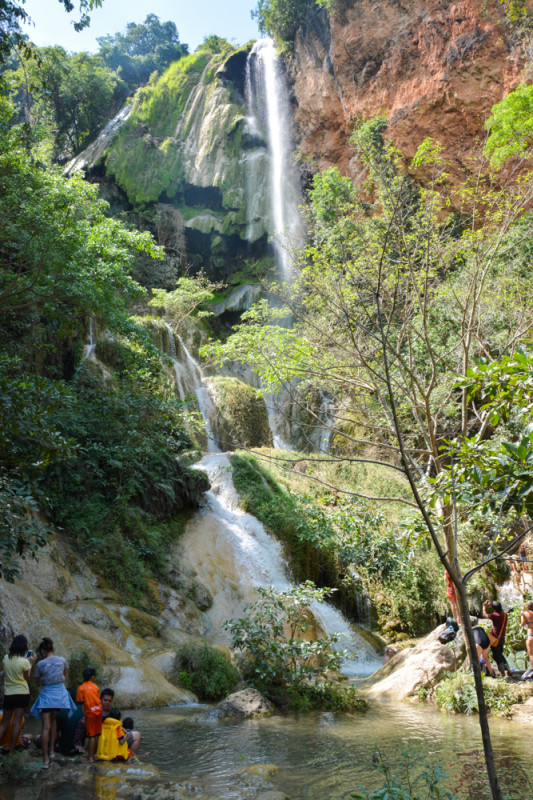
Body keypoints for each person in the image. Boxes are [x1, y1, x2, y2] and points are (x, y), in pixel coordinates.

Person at [31, 636, 77, 768]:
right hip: (59, 697)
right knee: (54, 721)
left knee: (45, 727)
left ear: (43, 651)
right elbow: (64, 675)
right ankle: (52, 751)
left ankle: (45, 758)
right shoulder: (62, 660)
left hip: (47, 697)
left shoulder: (40, 664)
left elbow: (38, 682)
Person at [0, 635, 36, 755]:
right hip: (21, 693)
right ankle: (11, 752)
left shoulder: (6, 658)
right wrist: (31, 663)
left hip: (8, 694)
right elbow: (27, 678)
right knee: (16, 723)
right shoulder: (25, 662)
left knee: (4, 723)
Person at [76, 667, 102, 763]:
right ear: (92, 677)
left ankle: (90, 758)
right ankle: (93, 755)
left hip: (90, 713)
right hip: (99, 711)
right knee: (96, 734)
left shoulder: (81, 688)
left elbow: (81, 703)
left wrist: (85, 715)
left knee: (91, 735)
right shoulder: (95, 686)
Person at [482, 600, 512, 677]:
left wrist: (484, 607)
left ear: (494, 609)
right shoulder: (505, 614)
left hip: (495, 638)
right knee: (500, 654)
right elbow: (498, 611)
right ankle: (508, 670)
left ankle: (502, 672)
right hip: (502, 638)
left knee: (496, 656)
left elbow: (484, 614)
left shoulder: (495, 615)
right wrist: (491, 605)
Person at [521, 600, 533, 669]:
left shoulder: (525, 614)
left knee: (531, 654)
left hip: (530, 635)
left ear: (527, 607)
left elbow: (523, 624)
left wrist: (522, 616)